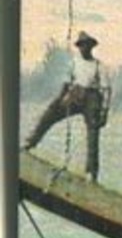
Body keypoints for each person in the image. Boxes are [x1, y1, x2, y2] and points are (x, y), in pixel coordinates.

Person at [24, 31, 109, 181]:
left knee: (93, 134)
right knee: (50, 113)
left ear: (91, 47)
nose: (84, 48)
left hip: (92, 97)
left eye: (87, 45)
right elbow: (66, 82)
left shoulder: (99, 66)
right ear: (79, 47)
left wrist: (104, 112)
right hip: (75, 93)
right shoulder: (74, 62)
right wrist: (60, 99)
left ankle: (91, 172)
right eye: (81, 45)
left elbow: (107, 90)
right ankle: (30, 143)